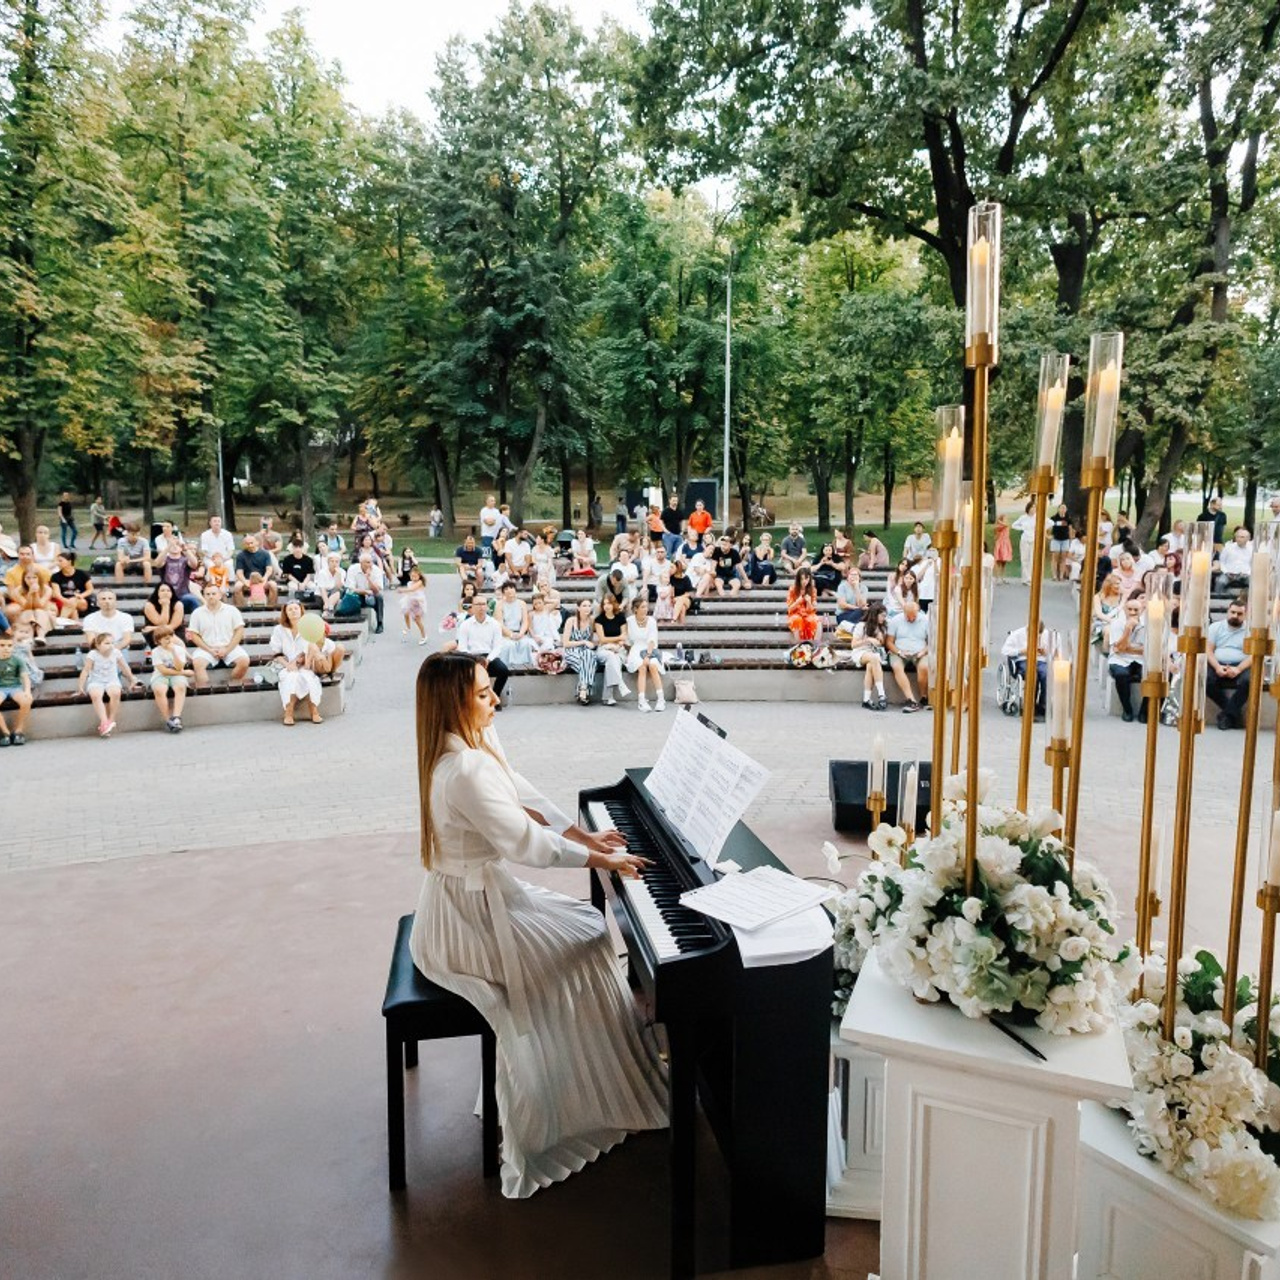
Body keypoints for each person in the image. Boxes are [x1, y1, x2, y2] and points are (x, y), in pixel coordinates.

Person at [408, 652, 665, 1196]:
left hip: (475, 898)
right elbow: (525, 844)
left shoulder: (469, 745)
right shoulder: (463, 769)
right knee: (587, 940)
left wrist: (583, 835)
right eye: (483, 694)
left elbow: (521, 794)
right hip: (467, 921)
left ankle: (602, 1061)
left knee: (586, 925)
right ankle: (585, 1091)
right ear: (455, 704)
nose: (495, 699)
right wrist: (602, 860)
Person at [268, 601, 333, 725]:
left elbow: (312, 647)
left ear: (301, 610)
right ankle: (289, 712)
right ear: (285, 613)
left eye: (296, 608)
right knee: (290, 678)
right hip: (286, 665)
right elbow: (276, 654)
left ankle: (314, 712)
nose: (293, 611)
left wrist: (300, 661)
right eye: (290, 609)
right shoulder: (279, 630)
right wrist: (288, 665)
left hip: (305, 664)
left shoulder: (308, 627)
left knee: (308, 678)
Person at [445, 595, 511, 705]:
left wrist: (488, 660)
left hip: (489, 657)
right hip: (470, 657)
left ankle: (494, 697)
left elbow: (497, 647)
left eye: (483, 604)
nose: (481, 607)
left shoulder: (494, 624)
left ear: (487, 607)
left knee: (503, 671)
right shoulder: (465, 625)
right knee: (460, 673)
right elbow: (462, 647)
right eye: (478, 604)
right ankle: (468, 700)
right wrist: (475, 659)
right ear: (472, 607)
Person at [187, 584, 251, 688]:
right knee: (197, 663)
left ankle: (232, 686)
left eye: (213, 593)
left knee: (244, 661)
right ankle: (205, 690)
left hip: (229, 646)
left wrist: (227, 649)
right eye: (208, 594)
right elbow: (194, 635)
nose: (211, 596)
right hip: (207, 648)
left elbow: (239, 631)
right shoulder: (197, 613)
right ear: (204, 596)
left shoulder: (232, 610)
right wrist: (209, 650)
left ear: (220, 595)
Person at [78, 629, 139, 737]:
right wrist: (80, 686)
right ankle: (104, 721)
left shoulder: (116, 652)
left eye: (112, 643)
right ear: (98, 645)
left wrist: (132, 680)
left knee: (115, 693)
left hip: (112, 680)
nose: (111, 646)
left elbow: (124, 667)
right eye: (107, 643)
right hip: (96, 681)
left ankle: (111, 720)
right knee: (96, 695)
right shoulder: (93, 654)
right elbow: (86, 670)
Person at [1206, 596, 1252, 730]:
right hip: (1217, 663)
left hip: (1241, 664)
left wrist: (1238, 669)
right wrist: (1217, 667)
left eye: (1239, 614)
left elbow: (1254, 656)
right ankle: (1232, 713)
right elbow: (1208, 650)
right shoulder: (1215, 627)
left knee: (1249, 682)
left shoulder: (1251, 631)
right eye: (1233, 612)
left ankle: (1226, 715)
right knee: (1206, 680)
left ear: (1246, 615)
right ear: (1228, 611)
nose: (1235, 616)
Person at [886, 596, 930, 712]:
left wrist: (923, 651)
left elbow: (932, 642)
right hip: (899, 651)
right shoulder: (896, 620)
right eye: (908, 617)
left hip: (920, 651)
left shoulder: (925, 620)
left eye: (914, 617)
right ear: (903, 613)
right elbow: (889, 642)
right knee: (897, 666)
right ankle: (911, 699)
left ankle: (924, 696)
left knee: (924, 667)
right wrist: (899, 652)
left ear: (918, 612)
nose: (911, 619)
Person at [1108, 596, 1147, 722]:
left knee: (1152, 675)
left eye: (1136, 610)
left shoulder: (1147, 624)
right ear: (1124, 609)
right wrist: (1128, 629)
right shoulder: (1117, 623)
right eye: (1129, 609)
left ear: (1142, 610)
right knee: (1121, 675)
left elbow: (1147, 650)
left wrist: (1127, 648)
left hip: (1141, 660)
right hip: (1120, 659)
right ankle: (1127, 709)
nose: (1132, 613)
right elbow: (1118, 649)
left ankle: (1144, 712)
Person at [625, 597, 666, 712]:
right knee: (642, 667)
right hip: (635, 650)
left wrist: (648, 656)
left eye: (646, 607)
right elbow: (627, 640)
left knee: (653, 665)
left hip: (649, 649)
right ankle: (641, 700)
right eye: (642, 607)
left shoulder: (652, 621)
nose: (645, 609)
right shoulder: (629, 621)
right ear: (635, 609)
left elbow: (652, 640)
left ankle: (661, 699)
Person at [1001, 622, 1050, 717]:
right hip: (1023, 660)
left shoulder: (1047, 634)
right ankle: (1030, 705)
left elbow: (1054, 651)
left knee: (1046, 674)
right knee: (1032, 674)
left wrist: (1045, 652)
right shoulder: (1017, 635)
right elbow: (1005, 650)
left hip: (1040, 660)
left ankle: (1043, 705)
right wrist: (1021, 651)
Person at [148, 625, 189, 732]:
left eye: (170, 636)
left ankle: (176, 717)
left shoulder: (179, 649)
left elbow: (179, 667)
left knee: (180, 687)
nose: (168, 639)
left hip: (177, 674)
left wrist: (173, 652)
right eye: (165, 638)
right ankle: (168, 720)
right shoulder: (155, 651)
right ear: (158, 640)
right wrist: (183, 672)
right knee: (159, 689)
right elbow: (163, 671)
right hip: (160, 675)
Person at [849, 603, 890, 710]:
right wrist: (868, 640)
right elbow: (853, 645)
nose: (884, 618)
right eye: (882, 615)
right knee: (874, 658)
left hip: (874, 653)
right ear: (875, 615)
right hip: (860, 652)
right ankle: (882, 694)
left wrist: (881, 638)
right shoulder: (861, 626)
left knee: (871, 665)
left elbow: (881, 645)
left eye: (885, 616)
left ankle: (866, 699)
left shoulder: (882, 626)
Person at [561, 599, 600, 704]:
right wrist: (583, 642)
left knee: (589, 654)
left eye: (589, 606)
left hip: (586, 653)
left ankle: (583, 688)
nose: (587, 608)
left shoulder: (592, 621)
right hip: (572, 651)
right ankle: (585, 689)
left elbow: (596, 639)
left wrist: (593, 644)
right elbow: (565, 643)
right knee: (590, 663)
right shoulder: (571, 621)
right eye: (584, 606)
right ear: (578, 608)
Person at [593, 594, 630, 705]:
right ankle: (621, 684)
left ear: (614, 604)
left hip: (619, 649)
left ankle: (607, 697)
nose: (606, 606)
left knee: (612, 661)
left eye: (609, 603)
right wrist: (617, 639)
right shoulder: (599, 619)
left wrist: (617, 646)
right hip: (603, 650)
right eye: (604, 604)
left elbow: (624, 637)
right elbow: (602, 639)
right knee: (610, 656)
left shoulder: (620, 618)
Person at [0, 630, 33, 745]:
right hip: (0, 688)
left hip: (15, 687)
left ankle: (18, 731)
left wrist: (27, 691)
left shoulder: (17, 660)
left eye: (9, 646)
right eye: (2, 645)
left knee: (26, 701)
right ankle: (5, 733)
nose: (6, 648)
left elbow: (25, 678)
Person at [495, 582, 534, 669]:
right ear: (503, 592)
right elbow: (500, 623)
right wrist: (511, 634)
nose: (509, 590)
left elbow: (525, 622)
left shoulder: (522, 603)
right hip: (505, 634)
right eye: (506, 589)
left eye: (511, 588)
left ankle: (526, 667)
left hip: (520, 633)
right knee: (509, 645)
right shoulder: (499, 605)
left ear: (515, 590)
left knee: (526, 644)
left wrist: (521, 633)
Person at [344, 553, 386, 634]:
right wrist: (365, 592)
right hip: (358, 594)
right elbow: (351, 588)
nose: (370, 564)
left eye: (371, 562)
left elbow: (377, 590)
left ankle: (380, 623)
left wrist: (368, 578)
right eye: (367, 562)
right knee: (349, 595)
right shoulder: (353, 569)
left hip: (371, 594)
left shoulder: (376, 570)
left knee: (379, 597)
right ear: (361, 563)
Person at [11, 568, 56, 642]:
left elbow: (40, 606)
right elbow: (26, 607)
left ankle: (41, 637)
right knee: (28, 612)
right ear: (24, 579)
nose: (31, 580)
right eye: (28, 578)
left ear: (39, 578)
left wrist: (36, 593)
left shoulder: (47, 589)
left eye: (34, 577)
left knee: (39, 611)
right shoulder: (18, 590)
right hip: (27, 617)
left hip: (44, 617)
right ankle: (29, 637)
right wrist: (30, 594)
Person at [50, 550, 94, 620]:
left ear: (69, 562)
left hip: (80, 600)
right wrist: (66, 601)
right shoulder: (55, 576)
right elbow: (57, 594)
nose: (58, 563)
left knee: (74, 601)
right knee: (73, 610)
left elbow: (90, 589)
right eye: (57, 561)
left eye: (60, 561)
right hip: (63, 600)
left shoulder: (82, 574)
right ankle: (74, 624)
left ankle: (61, 620)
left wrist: (81, 595)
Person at [786, 567, 820, 644]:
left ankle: (814, 645)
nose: (804, 581)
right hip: (795, 613)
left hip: (808, 614)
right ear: (798, 579)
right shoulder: (793, 589)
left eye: (806, 578)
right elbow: (790, 609)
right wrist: (797, 602)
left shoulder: (813, 590)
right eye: (802, 579)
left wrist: (809, 602)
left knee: (815, 620)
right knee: (797, 619)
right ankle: (798, 644)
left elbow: (811, 610)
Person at [399, 565, 429, 644]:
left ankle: (424, 636)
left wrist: (402, 590)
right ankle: (408, 627)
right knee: (405, 612)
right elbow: (410, 592)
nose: (413, 578)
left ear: (419, 576)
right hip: (411, 601)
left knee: (417, 620)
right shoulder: (409, 583)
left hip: (418, 603)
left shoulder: (420, 582)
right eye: (412, 576)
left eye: (415, 576)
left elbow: (412, 589)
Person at [1012, 500, 1037, 585]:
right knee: (1024, 559)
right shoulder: (1023, 517)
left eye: (1034, 507)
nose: (1033, 509)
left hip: (1033, 539)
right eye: (1032, 507)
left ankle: (1031, 578)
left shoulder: (1037, 517)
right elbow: (1014, 525)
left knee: (1032, 559)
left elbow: (1049, 523)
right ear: (1028, 508)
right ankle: (1025, 578)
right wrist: (1022, 528)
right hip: (1025, 539)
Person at [1048, 503, 1071, 581]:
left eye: (1064, 508)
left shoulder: (1068, 519)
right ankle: (1054, 575)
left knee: (1063, 557)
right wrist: (1048, 536)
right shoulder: (1053, 518)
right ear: (1058, 509)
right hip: (1056, 539)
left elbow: (1070, 529)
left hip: (1065, 540)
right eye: (1061, 508)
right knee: (1055, 557)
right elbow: (1048, 528)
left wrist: (1070, 539)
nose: (1063, 509)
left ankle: (1061, 576)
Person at [993, 514, 1012, 579]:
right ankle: (997, 577)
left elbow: (1007, 525)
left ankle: (1002, 577)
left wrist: (999, 521)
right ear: (1002, 520)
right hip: (1000, 544)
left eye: (1006, 519)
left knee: (1004, 562)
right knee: (998, 561)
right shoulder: (999, 527)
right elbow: (996, 532)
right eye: (1005, 519)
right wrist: (999, 521)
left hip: (1006, 544)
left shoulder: (1006, 525)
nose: (1006, 520)